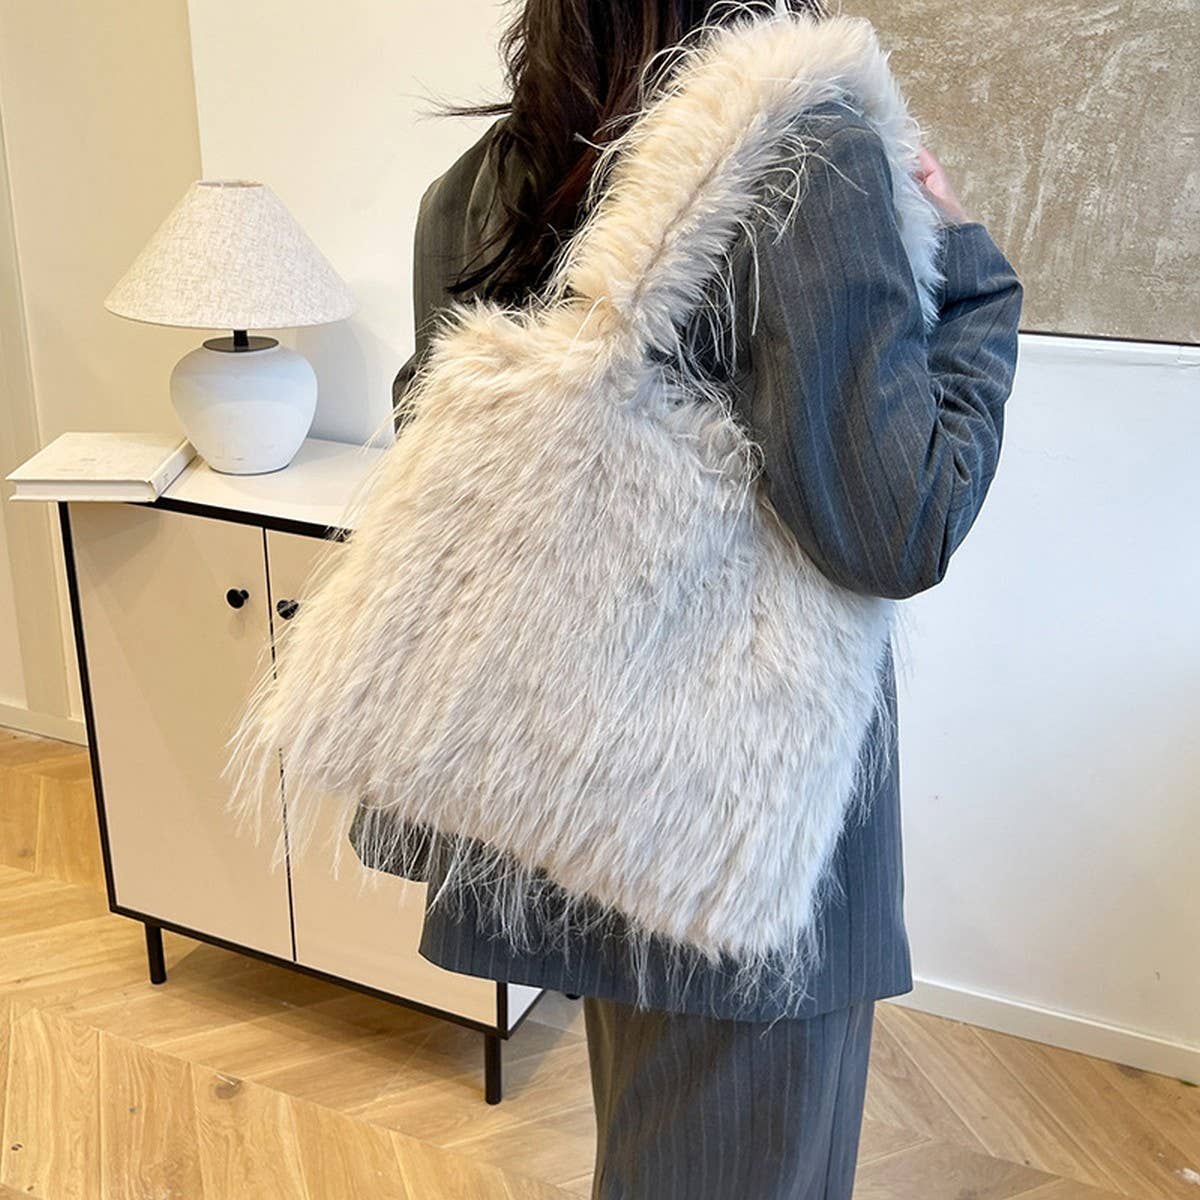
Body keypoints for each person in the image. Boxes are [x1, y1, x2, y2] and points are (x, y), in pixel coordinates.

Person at [360, 2, 1023, 1195]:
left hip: (585, 794)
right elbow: (902, 524)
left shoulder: (483, 188)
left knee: (660, 1146)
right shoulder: (803, 160)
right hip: (743, 822)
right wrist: (975, 282)